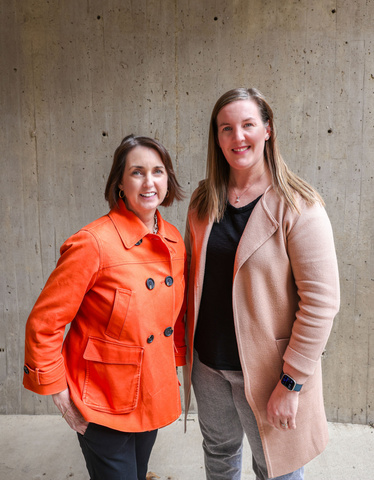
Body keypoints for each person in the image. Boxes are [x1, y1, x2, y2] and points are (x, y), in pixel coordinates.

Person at [183, 88, 340, 480]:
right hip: (209, 367)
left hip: (269, 373)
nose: (238, 137)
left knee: (276, 469)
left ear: (267, 130)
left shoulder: (299, 205)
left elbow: (321, 303)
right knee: (219, 456)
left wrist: (291, 384)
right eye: (226, 128)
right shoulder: (204, 200)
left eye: (248, 125)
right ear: (216, 138)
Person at [23, 134, 187, 480]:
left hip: (151, 390)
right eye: (137, 172)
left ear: (168, 180)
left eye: (158, 172)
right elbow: (44, 322)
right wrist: (57, 391)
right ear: (120, 183)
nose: (149, 182)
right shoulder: (93, 243)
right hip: (100, 397)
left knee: (138, 473)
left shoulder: (174, 240)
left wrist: (172, 368)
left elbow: (172, 320)